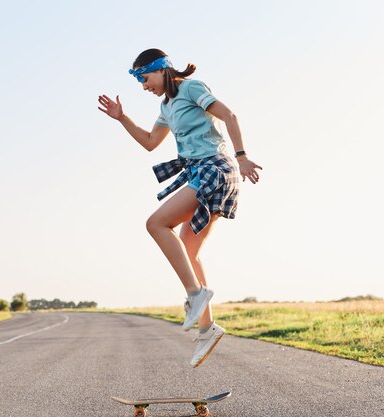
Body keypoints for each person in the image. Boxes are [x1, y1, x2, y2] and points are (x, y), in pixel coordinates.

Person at [98, 48, 262, 367]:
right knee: (188, 250)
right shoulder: (166, 106)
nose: (145, 86)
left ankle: (195, 295)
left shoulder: (191, 88)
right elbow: (149, 141)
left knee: (156, 224)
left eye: (145, 79)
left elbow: (230, 116)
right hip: (201, 173)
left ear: (163, 70)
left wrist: (242, 156)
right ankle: (207, 328)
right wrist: (121, 118)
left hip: (216, 169)